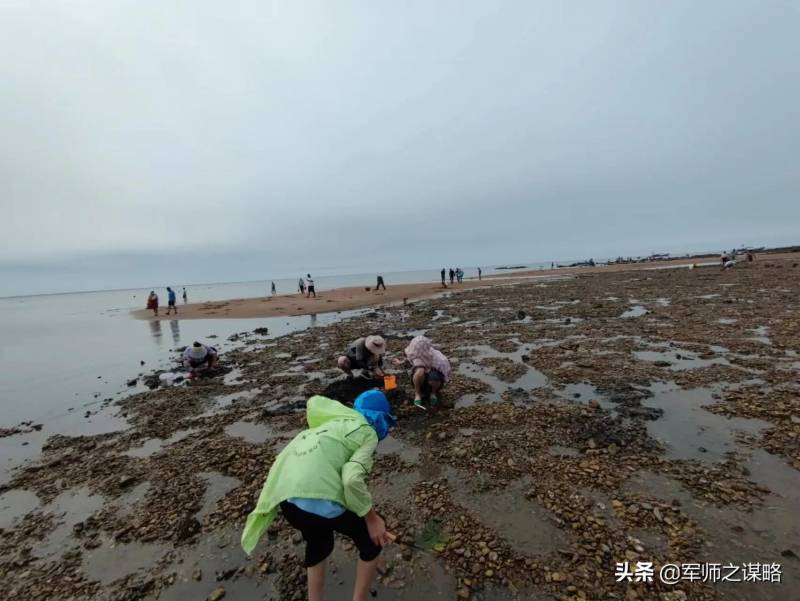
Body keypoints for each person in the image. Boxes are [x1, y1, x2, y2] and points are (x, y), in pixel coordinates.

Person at [241, 391, 396, 601]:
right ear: (381, 421)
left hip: (287, 500)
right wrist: (372, 519)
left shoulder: (329, 425)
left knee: (320, 541)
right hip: (317, 499)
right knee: (371, 541)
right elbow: (351, 480)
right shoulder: (366, 432)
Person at [394, 335, 451, 409]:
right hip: (420, 381)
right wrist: (400, 362)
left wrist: (434, 374)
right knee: (419, 371)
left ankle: (433, 393)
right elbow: (409, 359)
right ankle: (417, 393)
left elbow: (446, 373)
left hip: (434, 381)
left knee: (434, 376)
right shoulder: (415, 354)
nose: (414, 353)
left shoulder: (439, 359)